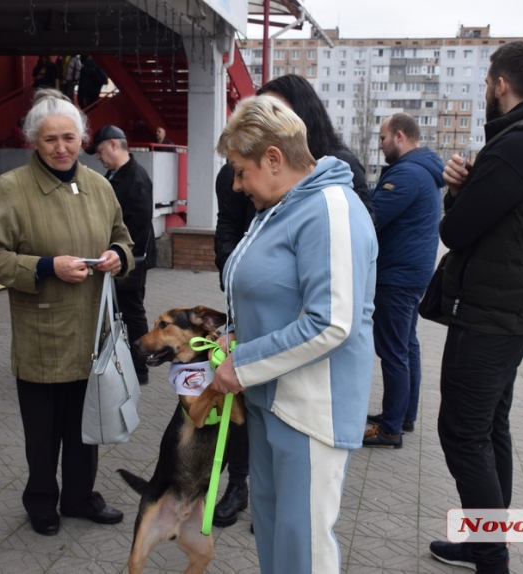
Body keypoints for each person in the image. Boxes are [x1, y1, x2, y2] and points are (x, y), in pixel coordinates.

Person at [210, 95, 377, 574]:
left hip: (310, 409)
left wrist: (240, 363)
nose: (239, 186)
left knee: (303, 547)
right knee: (278, 535)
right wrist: (238, 338)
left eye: (241, 171)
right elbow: (276, 294)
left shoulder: (329, 208)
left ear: (274, 159)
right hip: (271, 399)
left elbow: (331, 322)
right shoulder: (284, 205)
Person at [429, 41, 523, 573]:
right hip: (511, 310)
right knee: (489, 428)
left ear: (501, 84)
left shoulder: (519, 143)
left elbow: (456, 229)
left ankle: (491, 559)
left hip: (490, 315)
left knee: (463, 433)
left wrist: (455, 192)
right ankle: (486, 542)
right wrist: (469, 188)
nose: (487, 91)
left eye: (488, 83)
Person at [0, 89, 135, 537]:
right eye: (50, 140)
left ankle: (80, 497)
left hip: (91, 333)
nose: (61, 148)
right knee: (42, 436)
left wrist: (119, 257)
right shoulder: (12, 187)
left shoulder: (101, 186)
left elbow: (125, 239)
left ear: (83, 139)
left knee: (86, 428)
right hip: (42, 334)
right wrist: (46, 266)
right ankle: (41, 500)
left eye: (69, 137)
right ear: (33, 142)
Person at [363, 114, 444, 448]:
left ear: (399, 136)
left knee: (394, 351)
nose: (380, 146)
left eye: (382, 139)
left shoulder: (408, 174)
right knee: (407, 346)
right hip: (412, 273)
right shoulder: (423, 170)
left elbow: (373, 215)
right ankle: (402, 415)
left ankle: (390, 429)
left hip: (397, 275)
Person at [85, 125, 157, 385]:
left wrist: (124, 258)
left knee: (132, 313)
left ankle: (140, 368)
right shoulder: (115, 176)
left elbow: (137, 226)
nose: (99, 157)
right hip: (118, 258)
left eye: (100, 151)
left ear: (114, 145)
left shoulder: (135, 178)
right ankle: (125, 362)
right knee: (119, 312)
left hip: (129, 260)